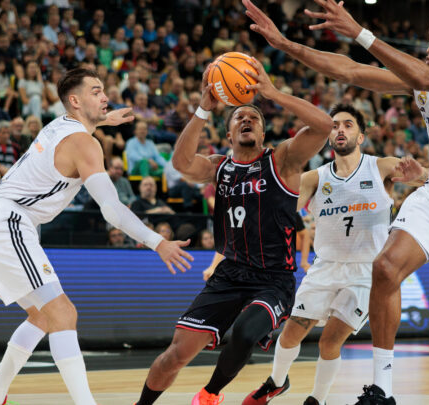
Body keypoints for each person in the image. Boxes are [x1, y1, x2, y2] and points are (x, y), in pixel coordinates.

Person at [245, 1, 429, 403]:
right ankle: (382, 389)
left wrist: (360, 32)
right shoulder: (422, 85)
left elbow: (422, 73)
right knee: (385, 268)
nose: (428, 49)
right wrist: (286, 45)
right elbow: (351, 71)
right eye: (428, 42)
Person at [0, 68, 193, 405]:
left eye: (104, 91)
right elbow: (112, 210)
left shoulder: (60, 124)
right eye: (96, 91)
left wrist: (104, 120)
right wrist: (156, 241)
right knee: (64, 313)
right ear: (75, 101)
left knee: (42, 316)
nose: (105, 97)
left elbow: (80, 126)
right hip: (6, 223)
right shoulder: (84, 144)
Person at [136, 57, 333, 405]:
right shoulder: (218, 168)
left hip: (274, 277)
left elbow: (323, 125)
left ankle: (210, 394)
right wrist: (202, 109)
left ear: (261, 132)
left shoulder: (282, 159)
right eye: (239, 117)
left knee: (244, 332)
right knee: (175, 354)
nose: (246, 119)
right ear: (228, 134)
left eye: (253, 117)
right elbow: (180, 163)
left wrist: (273, 93)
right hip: (229, 274)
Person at [243, 104, 426, 405]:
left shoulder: (380, 167)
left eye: (348, 125)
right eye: (335, 125)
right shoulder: (314, 178)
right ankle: (276, 381)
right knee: (290, 334)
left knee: (330, 341)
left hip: (365, 273)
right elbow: (279, 214)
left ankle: (318, 399)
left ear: (362, 136)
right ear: (328, 136)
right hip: (325, 267)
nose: (340, 129)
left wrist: (422, 174)